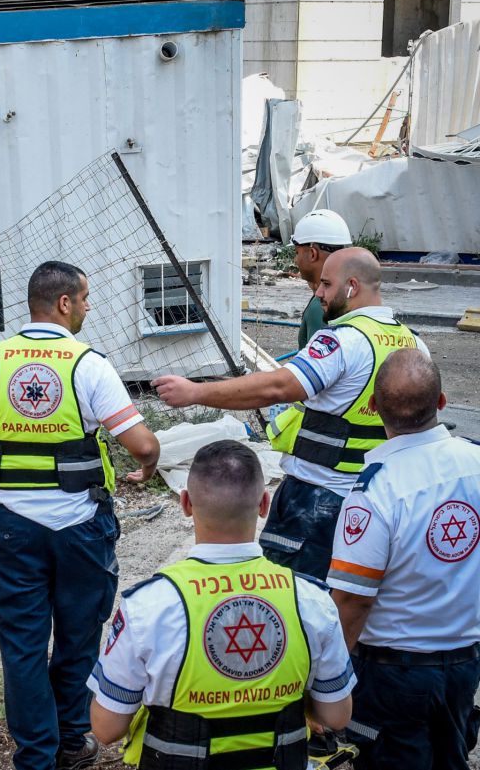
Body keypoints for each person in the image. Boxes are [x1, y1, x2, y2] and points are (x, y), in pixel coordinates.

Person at [0, 260, 161, 770]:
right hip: (79, 527)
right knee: (78, 635)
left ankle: (36, 758)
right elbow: (142, 444)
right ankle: (70, 741)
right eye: (85, 298)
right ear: (64, 303)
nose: (88, 307)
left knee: (22, 646)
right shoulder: (89, 365)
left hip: (12, 528)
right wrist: (148, 467)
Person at [152, 247, 426, 579]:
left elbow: (278, 387)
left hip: (318, 499)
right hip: (381, 498)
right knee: (356, 592)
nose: (319, 293)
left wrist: (195, 392)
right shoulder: (414, 345)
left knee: (292, 595)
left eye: (326, 284)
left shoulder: (342, 342)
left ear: (352, 286)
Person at [87, 440, 355, 770]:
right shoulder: (311, 600)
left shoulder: (149, 606)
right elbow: (337, 715)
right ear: (264, 503)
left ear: (186, 503)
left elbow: (107, 728)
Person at [327, 349, 480, 770]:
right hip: (464, 663)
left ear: (373, 407)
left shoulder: (376, 492)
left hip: (393, 674)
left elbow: (353, 600)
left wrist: (328, 682)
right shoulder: (476, 463)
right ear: (442, 402)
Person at [290, 210, 353, 349]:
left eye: (297, 252)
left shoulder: (322, 306)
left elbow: (316, 361)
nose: (295, 260)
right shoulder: (351, 294)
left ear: (312, 254)